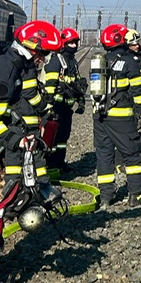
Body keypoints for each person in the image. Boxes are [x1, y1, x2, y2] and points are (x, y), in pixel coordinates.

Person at [0, 20, 61, 283]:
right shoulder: (5, 75)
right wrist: (16, 142)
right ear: (31, 47)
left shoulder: (7, 65)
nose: (44, 60)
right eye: (43, 53)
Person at [92, 24, 141, 207]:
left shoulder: (100, 60)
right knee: (132, 155)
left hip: (100, 117)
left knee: (104, 156)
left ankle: (106, 197)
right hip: (122, 119)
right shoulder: (130, 62)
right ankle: (136, 195)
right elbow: (138, 93)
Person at [43, 27, 87, 173]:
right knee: (52, 138)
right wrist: (49, 107)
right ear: (64, 43)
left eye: (76, 42)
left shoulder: (73, 62)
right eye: (71, 43)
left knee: (63, 138)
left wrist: (81, 101)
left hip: (67, 108)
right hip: (56, 108)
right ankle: (50, 164)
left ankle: (60, 163)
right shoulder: (57, 61)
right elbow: (50, 86)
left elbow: (77, 84)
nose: (74, 45)